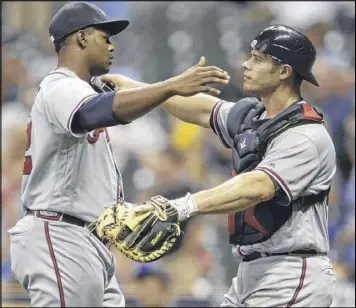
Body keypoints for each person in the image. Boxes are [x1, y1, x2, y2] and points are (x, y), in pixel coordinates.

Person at [7, 2, 230, 307]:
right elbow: (92, 112)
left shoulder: (80, 89)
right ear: (82, 38)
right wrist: (171, 87)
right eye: (105, 37)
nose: (112, 45)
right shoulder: (61, 85)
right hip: (61, 234)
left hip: (87, 239)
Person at [106, 25, 337, 307]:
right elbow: (203, 109)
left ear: (284, 71)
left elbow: (258, 186)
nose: (246, 64)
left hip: (292, 273)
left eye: (258, 59)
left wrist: (182, 206)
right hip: (254, 270)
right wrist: (133, 88)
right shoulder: (256, 119)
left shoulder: (305, 135)